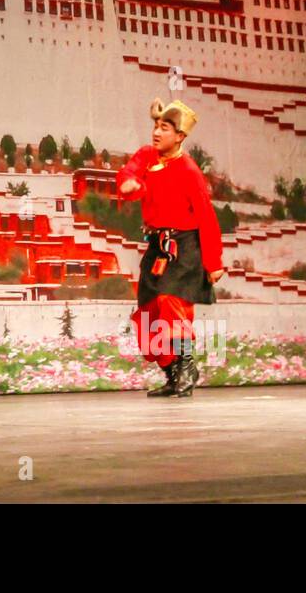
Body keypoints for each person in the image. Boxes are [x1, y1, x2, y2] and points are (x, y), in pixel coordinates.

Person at [116, 99, 224, 398]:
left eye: (164, 128)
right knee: (149, 309)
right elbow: (129, 173)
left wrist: (213, 262)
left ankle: (187, 365)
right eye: (155, 126)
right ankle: (171, 372)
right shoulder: (147, 155)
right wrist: (130, 185)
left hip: (185, 246)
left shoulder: (189, 171)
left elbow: (206, 216)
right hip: (157, 245)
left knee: (170, 301)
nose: (156, 132)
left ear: (179, 136)